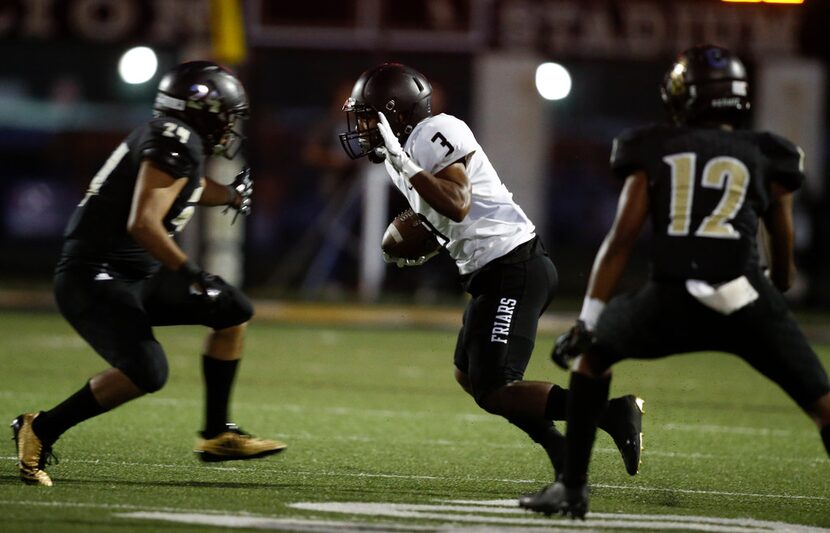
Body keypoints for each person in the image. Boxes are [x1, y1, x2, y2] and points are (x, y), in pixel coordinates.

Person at [519, 44, 830, 519]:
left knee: (591, 359)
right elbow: (783, 253)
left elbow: (619, 242)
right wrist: (777, 287)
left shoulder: (654, 145)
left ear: (686, 97)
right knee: (823, 404)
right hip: (746, 296)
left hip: (671, 297)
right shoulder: (769, 152)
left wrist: (588, 320)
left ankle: (572, 489)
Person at [339, 62, 644, 485]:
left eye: (370, 117)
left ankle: (611, 412)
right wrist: (418, 238)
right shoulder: (401, 154)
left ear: (395, 114)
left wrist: (407, 167)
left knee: (497, 387)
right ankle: (561, 452)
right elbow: (444, 214)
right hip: (493, 270)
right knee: (469, 376)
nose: (364, 128)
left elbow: (458, 201)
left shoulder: (433, 131)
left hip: (513, 266)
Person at [11, 61, 286, 487]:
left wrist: (229, 195)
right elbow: (143, 222)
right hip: (94, 275)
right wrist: (192, 272)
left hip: (133, 274)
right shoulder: (175, 139)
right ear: (202, 111)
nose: (229, 127)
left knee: (232, 309)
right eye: (226, 116)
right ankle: (40, 428)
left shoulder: (173, 138)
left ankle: (216, 435)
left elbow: (187, 187)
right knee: (147, 370)